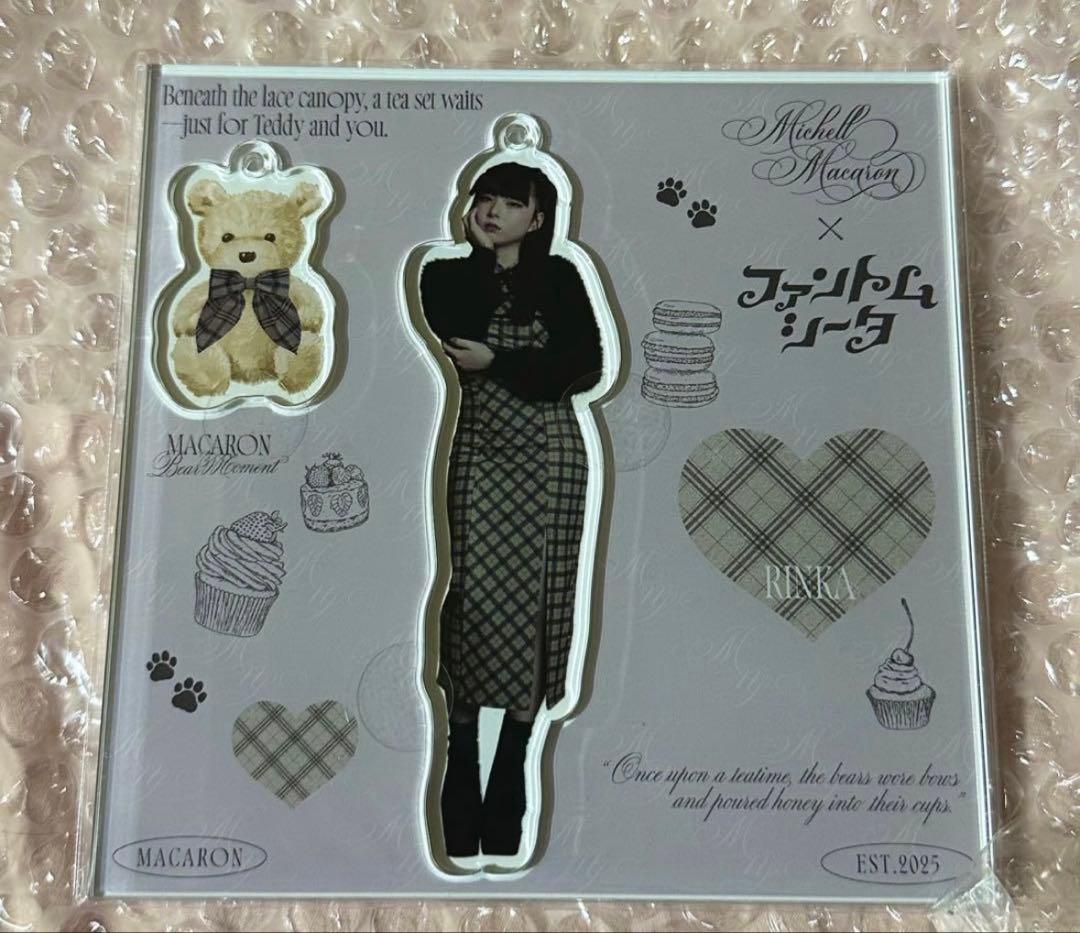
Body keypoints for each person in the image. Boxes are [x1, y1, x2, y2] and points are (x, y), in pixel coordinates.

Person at [419, 160, 604, 858]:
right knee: (470, 597)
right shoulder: (445, 276)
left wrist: (497, 360)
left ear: (539, 217)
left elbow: (582, 367)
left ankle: (511, 790)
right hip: (477, 450)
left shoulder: (561, 277)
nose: (491, 211)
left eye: (510, 203)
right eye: (484, 198)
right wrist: (486, 267)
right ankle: (460, 770)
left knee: (537, 603)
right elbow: (450, 331)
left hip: (550, 457)